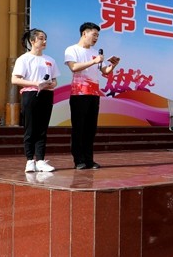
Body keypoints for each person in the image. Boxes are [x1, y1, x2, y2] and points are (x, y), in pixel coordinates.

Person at [64, 22, 119, 170]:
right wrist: (94, 61)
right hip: (79, 93)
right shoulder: (72, 49)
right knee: (79, 128)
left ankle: (89, 159)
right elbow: (74, 67)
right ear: (84, 33)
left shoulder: (96, 52)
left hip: (94, 94)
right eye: (94, 35)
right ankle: (79, 160)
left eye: (98, 36)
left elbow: (105, 71)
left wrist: (113, 65)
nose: (96, 38)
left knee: (90, 128)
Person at [11, 29, 59, 172]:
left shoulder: (50, 60)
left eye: (45, 38)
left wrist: (49, 84)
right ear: (32, 41)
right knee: (30, 128)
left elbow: (55, 81)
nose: (44, 41)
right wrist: (35, 83)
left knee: (42, 129)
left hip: (46, 94)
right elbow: (15, 79)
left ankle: (41, 160)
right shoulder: (24, 59)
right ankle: (29, 160)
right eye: (41, 38)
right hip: (30, 95)